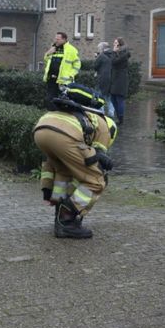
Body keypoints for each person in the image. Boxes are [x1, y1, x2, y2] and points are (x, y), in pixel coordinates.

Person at [34, 84, 118, 239]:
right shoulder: (106, 126)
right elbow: (97, 155)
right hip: (65, 135)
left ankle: (59, 212)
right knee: (96, 180)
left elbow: (49, 164)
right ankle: (66, 220)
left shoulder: (81, 114)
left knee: (63, 171)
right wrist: (103, 163)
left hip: (41, 126)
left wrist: (47, 189)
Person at [42, 31, 81, 107]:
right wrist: (48, 53)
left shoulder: (71, 50)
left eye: (58, 39)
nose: (56, 40)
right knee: (49, 100)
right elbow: (47, 61)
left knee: (62, 101)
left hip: (63, 81)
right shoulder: (53, 48)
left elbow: (77, 65)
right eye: (55, 39)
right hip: (51, 79)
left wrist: (71, 74)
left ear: (64, 39)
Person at [109, 37, 130, 125]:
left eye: (115, 43)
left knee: (119, 99)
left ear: (119, 44)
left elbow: (113, 62)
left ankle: (121, 119)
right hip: (115, 79)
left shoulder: (124, 54)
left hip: (120, 80)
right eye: (114, 43)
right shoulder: (118, 53)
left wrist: (114, 51)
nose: (114, 44)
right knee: (113, 99)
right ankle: (119, 116)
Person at [94, 40, 116, 117]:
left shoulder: (101, 56)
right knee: (109, 97)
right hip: (112, 79)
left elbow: (95, 66)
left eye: (99, 48)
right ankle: (111, 113)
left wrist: (96, 58)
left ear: (102, 48)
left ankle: (101, 112)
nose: (98, 50)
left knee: (100, 96)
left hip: (102, 79)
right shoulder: (113, 55)